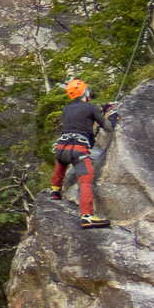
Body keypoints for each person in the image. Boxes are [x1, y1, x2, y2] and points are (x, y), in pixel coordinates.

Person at [50, 78, 119, 229]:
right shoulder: (90, 107)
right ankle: (87, 216)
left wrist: (102, 109)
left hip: (62, 149)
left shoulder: (66, 109)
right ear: (84, 92)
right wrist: (113, 117)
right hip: (78, 150)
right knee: (86, 181)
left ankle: (55, 191)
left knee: (61, 161)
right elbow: (108, 127)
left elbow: (81, 116)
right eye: (87, 90)